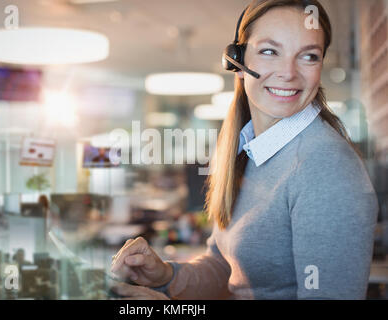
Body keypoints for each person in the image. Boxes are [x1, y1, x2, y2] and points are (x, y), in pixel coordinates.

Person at [109, 0, 379, 300]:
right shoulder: (250, 150)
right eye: (269, 51)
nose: (288, 72)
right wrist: (166, 276)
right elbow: (226, 268)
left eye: (308, 56)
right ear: (236, 61)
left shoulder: (326, 167)